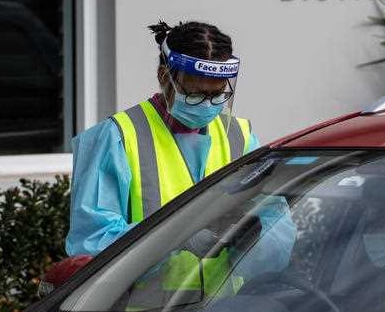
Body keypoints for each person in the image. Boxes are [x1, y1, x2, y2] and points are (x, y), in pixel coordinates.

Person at [66, 20, 268, 257]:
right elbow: (92, 240)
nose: (207, 104)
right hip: (148, 295)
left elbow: (273, 221)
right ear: (164, 77)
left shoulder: (240, 137)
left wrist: (256, 239)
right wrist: (178, 240)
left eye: (218, 94)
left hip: (228, 295)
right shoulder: (117, 137)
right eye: (195, 94)